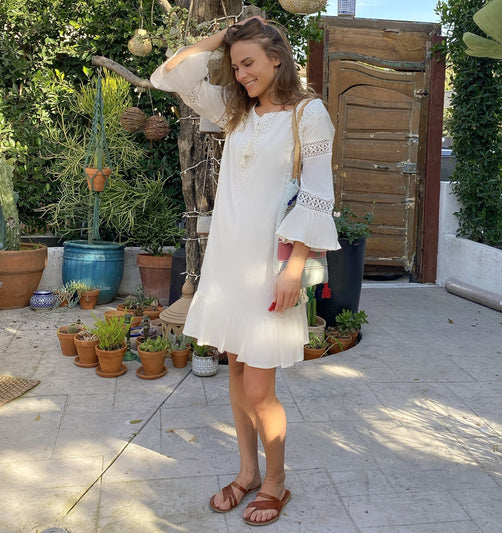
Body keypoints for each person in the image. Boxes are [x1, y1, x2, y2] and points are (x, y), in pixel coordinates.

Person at [151, 17, 340, 526]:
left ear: (278, 57)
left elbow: (318, 195)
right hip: (228, 265)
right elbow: (168, 75)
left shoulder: (309, 114)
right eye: (235, 67)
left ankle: (275, 481)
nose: (241, 74)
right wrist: (222, 39)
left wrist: (294, 268)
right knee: (235, 373)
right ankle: (247, 472)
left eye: (249, 62)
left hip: (270, 268)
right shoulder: (235, 112)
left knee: (260, 389)